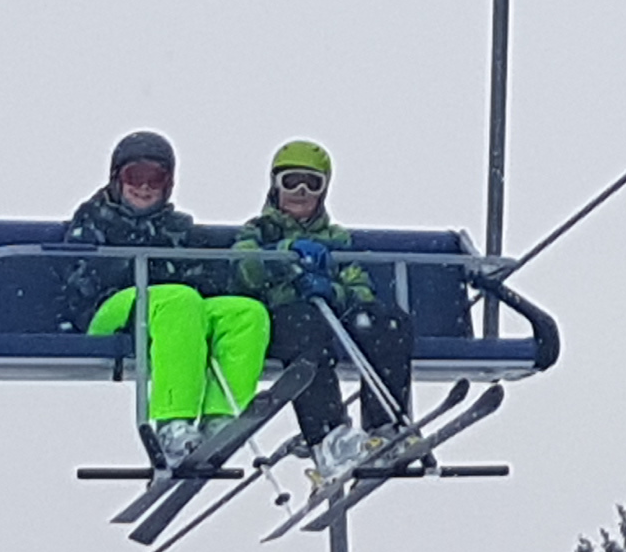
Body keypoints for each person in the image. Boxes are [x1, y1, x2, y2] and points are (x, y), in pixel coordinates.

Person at [66, 130, 269, 460]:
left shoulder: (178, 229)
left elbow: (204, 280)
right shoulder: (94, 221)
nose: (145, 187)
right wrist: (147, 267)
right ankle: (173, 423)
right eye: (135, 176)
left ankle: (220, 418)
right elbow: (86, 277)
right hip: (108, 311)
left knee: (245, 313)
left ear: (168, 183)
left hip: (168, 312)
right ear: (117, 179)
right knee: (179, 301)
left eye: (155, 178)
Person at [233, 139, 414, 462]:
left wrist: (334, 290)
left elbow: (360, 287)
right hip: (281, 323)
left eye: (311, 183)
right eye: (291, 181)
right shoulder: (259, 232)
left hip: (332, 322)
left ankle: (386, 424)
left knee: (386, 322)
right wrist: (282, 257)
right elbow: (245, 270)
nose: (300, 191)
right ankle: (328, 435)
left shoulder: (336, 240)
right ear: (275, 186)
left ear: (324, 190)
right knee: (306, 326)